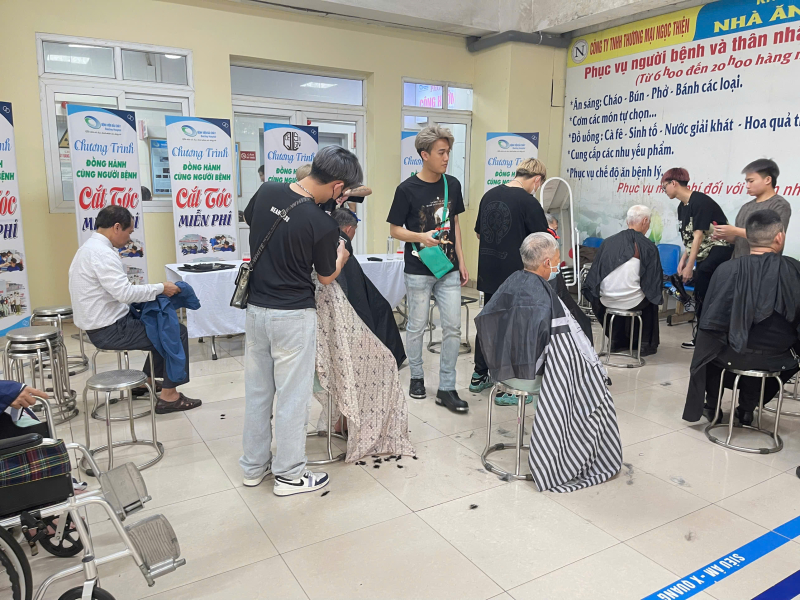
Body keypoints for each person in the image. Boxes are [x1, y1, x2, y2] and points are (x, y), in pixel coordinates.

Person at [240, 145, 357, 497]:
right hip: (292, 316)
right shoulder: (322, 224)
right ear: (338, 187)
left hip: (256, 310)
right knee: (293, 398)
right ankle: (290, 475)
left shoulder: (268, 190)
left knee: (258, 393)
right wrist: (341, 254)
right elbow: (325, 276)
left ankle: (253, 466)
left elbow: (254, 221)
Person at [475, 232, 622, 492]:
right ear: (546, 263)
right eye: (556, 261)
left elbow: (486, 319)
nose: (558, 266)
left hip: (503, 369)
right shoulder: (546, 296)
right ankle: (575, 458)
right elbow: (566, 348)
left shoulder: (511, 281)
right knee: (593, 392)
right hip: (530, 376)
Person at [69, 206, 202, 414]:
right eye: (129, 232)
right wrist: (161, 288)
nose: (129, 238)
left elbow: (118, 292)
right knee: (174, 331)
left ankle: (145, 381)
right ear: (116, 227)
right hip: (109, 330)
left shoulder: (88, 248)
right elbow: (124, 294)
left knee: (159, 322)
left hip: (101, 324)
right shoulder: (102, 254)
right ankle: (169, 397)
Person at [684, 210, 800, 425]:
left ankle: (712, 406)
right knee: (762, 341)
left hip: (732, 356)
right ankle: (747, 408)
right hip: (779, 359)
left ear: (748, 237)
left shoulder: (726, 270)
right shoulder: (795, 270)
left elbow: (711, 321)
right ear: (779, 237)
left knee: (712, 345)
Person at [387, 126, 469, 413]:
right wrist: (420, 236)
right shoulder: (406, 189)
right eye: (441, 152)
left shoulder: (453, 184)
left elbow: (455, 223)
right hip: (418, 268)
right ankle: (417, 377)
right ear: (424, 155)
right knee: (417, 326)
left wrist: (462, 260)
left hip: (448, 268)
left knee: (453, 327)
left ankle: (447, 387)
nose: (446, 158)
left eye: (448, 152)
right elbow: (395, 230)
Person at [470, 158, 549, 399]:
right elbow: (541, 243)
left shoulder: (489, 195)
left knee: (490, 322)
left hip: (488, 271)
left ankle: (479, 375)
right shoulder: (529, 202)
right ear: (537, 180)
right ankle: (508, 389)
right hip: (516, 277)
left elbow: (478, 233)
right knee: (515, 329)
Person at [661, 167, 733, 349]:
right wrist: (683, 259)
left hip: (719, 248)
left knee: (703, 287)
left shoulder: (700, 201)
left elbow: (699, 235)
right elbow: (690, 237)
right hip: (703, 251)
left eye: (664, 186)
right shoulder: (682, 206)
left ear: (673, 183)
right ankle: (701, 337)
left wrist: (690, 265)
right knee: (701, 292)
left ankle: (707, 338)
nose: (664, 190)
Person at [583, 205, 663, 356]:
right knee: (651, 298)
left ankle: (616, 341)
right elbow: (654, 282)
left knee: (625, 290)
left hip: (605, 300)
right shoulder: (648, 246)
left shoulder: (607, 242)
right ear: (645, 221)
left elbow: (594, 276)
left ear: (627, 221)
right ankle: (645, 344)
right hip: (633, 301)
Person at [331, 208, 406, 367]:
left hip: (352, 296)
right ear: (348, 229)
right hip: (353, 301)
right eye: (354, 230)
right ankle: (389, 358)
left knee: (382, 307)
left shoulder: (332, 240)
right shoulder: (342, 246)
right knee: (381, 310)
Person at [713, 159, 791, 259]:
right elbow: (739, 240)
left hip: (764, 264)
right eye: (746, 181)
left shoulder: (779, 205)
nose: (747, 186)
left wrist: (735, 230)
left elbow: (772, 237)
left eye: (751, 181)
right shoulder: (746, 207)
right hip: (738, 263)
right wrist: (725, 235)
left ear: (767, 180)